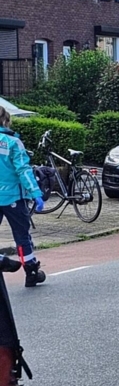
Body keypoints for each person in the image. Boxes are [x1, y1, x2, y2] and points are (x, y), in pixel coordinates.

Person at [0, 107, 46, 287]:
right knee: (21, 236)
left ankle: (3, 259)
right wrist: (36, 193)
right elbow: (23, 170)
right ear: (6, 120)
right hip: (13, 198)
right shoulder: (12, 142)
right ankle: (31, 271)